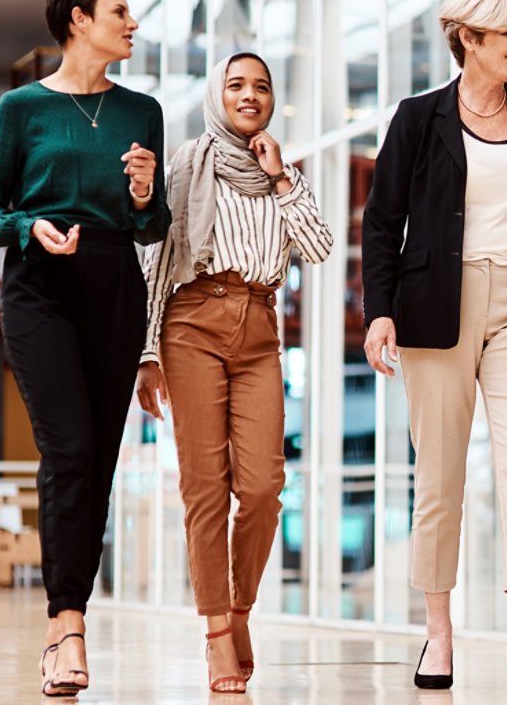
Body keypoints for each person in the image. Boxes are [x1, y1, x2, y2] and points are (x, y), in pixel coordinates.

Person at [362, 0, 507, 694]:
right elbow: (383, 222)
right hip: (434, 310)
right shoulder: (419, 118)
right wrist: (379, 310)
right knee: (441, 478)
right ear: (470, 41)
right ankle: (439, 633)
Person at [0, 0, 169, 698]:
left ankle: (69, 613)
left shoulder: (143, 110)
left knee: (100, 461)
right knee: (70, 448)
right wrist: (29, 226)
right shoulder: (20, 110)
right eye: (120, 12)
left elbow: (155, 225)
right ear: (79, 20)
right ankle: (66, 621)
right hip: (40, 284)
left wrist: (144, 193)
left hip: (117, 281)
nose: (133, 24)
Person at [135, 52, 332, 694]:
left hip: (259, 327)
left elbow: (321, 247)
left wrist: (281, 180)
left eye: (262, 87)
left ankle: (240, 604)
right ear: (218, 94)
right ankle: (219, 631)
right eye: (237, 85)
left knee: (266, 485)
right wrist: (147, 352)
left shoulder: (280, 173)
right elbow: (153, 261)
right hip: (191, 321)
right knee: (205, 487)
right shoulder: (188, 165)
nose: (251, 96)